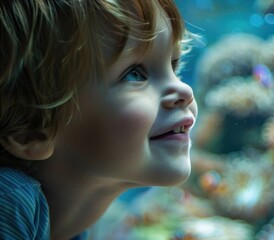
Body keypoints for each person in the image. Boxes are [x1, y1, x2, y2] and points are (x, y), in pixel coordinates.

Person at [0, 0, 198, 239]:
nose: (184, 90)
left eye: (173, 65)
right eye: (135, 73)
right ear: (31, 128)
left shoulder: (70, 228)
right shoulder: (8, 199)